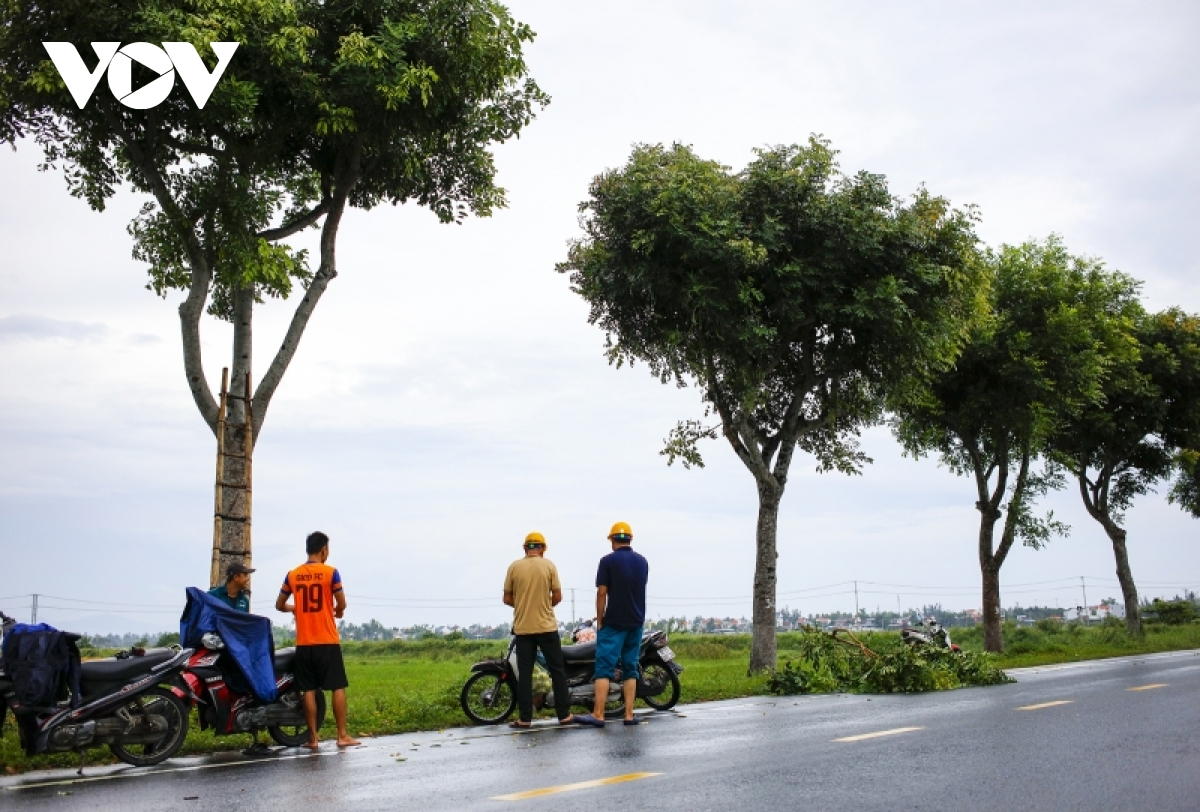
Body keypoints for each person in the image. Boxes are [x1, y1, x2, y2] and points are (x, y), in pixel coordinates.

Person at [275, 531, 360, 749]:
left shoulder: (292, 575)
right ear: (323, 550)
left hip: (304, 643)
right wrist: (337, 611)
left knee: (308, 690)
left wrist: (297, 608)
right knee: (337, 687)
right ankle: (342, 736)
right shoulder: (330, 573)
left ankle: (312, 738)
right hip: (327, 641)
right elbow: (342, 603)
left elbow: (279, 605)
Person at [575, 521, 649, 728]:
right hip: (636, 622)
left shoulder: (607, 562)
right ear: (630, 539)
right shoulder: (642, 561)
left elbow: (602, 592)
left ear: (612, 540)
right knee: (630, 668)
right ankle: (628, 714)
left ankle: (598, 714)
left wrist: (600, 620)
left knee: (604, 668)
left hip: (614, 623)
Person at [502, 532, 576, 728]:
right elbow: (558, 596)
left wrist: (524, 606)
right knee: (557, 670)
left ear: (525, 548)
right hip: (547, 627)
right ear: (542, 549)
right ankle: (564, 715)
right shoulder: (549, 565)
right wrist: (543, 605)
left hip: (523, 628)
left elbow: (507, 599)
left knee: (524, 674)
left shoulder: (514, 567)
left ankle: (525, 718)